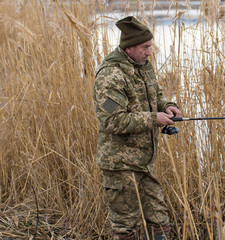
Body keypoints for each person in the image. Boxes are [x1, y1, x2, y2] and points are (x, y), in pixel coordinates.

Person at [93, 16, 182, 240]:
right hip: (120, 165)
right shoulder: (110, 75)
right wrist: (154, 119)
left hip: (144, 163)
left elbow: (156, 96)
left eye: (150, 46)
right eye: (145, 47)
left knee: (159, 221)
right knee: (126, 228)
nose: (149, 52)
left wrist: (169, 107)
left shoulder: (142, 67)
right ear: (129, 48)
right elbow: (112, 121)